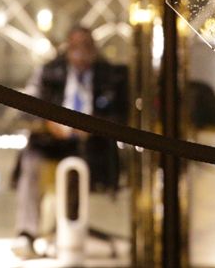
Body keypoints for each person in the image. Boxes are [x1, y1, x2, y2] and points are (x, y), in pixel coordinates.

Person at [12, 25, 128, 259]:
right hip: (53, 143)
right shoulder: (48, 73)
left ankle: (73, 227)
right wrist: (49, 124)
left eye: (85, 46)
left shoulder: (112, 76)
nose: (80, 53)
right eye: (74, 46)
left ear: (94, 49)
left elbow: (121, 113)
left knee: (80, 164)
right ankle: (27, 232)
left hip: (95, 143)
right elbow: (28, 108)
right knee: (31, 161)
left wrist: (92, 125)